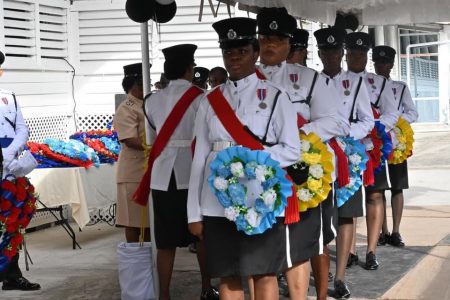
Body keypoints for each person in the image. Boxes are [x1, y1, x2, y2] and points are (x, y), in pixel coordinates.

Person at [187, 17, 300, 300]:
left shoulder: (276, 96)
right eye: (228, 52)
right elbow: (200, 157)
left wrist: (253, 161)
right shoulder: (209, 101)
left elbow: (291, 149)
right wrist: (194, 212)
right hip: (216, 202)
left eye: (241, 51)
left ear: (255, 53)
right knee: (229, 276)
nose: (234, 58)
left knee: (263, 273)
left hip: (259, 200)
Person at [256, 8, 346, 299]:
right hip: (259, 175)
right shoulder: (244, 82)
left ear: (288, 44)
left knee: (302, 249)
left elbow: (335, 121)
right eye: (264, 37)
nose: (269, 44)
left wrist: (295, 137)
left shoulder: (309, 80)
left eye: (277, 39)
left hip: (302, 175)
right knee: (262, 251)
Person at [141, 44, 218, 300]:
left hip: (162, 175)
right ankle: (206, 287)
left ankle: (164, 294)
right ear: (189, 68)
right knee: (201, 236)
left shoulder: (151, 101)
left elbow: (152, 138)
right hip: (191, 171)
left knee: (165, 242)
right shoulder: (200, 97)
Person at [315, 27, 374, 299]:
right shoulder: (311, 82)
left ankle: (340, 278)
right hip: (319, 154)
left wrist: (347, 135)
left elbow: (367, 120)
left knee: (346, 214)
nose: (331, 56)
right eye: (325, 52)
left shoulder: (356, 83)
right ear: (319, 54)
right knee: (320, 215)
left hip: (347, 154)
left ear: (342, 53)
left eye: (335, 51)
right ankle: (322, 270)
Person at [345, 32, 400, 271]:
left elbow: (391, 112)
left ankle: (371, 250)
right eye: (352, 53)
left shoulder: (379, 83)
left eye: (361, 54)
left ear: (367, 56)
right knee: (349, 197)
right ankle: (349, 251)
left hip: (373, 144)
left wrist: (376, 130)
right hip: (346, 145)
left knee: (375, 195)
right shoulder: (336, 81)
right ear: (346, 55)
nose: (357, 58)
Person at [0, 50, 41, 291]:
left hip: (10, 167)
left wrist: (10, 152)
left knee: (13, 219)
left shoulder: (9, 97)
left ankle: (11, 274)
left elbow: (22, 129)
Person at [372, 45, 418, 247]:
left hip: (397, 142)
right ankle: (382, 231)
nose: (382, 66)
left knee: (398, 187)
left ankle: (396, 231)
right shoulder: (367, 85)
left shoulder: (400, 88)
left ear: (391, 65)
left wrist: (396, 121)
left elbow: (413, 113)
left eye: (386, 62)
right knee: (379, 188)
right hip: (376, 143)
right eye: (378, 62)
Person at [113, 63, 150, 243]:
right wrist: (154, 148)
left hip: (147, 169)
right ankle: (136, 262)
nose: (145, 87)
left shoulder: (146, 104)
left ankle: (149, 261)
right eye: (141, 83)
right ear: (131, 85)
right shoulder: (127, 107)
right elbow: (129, 139)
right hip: (133, 172)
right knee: (133, 221)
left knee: (149, 222)